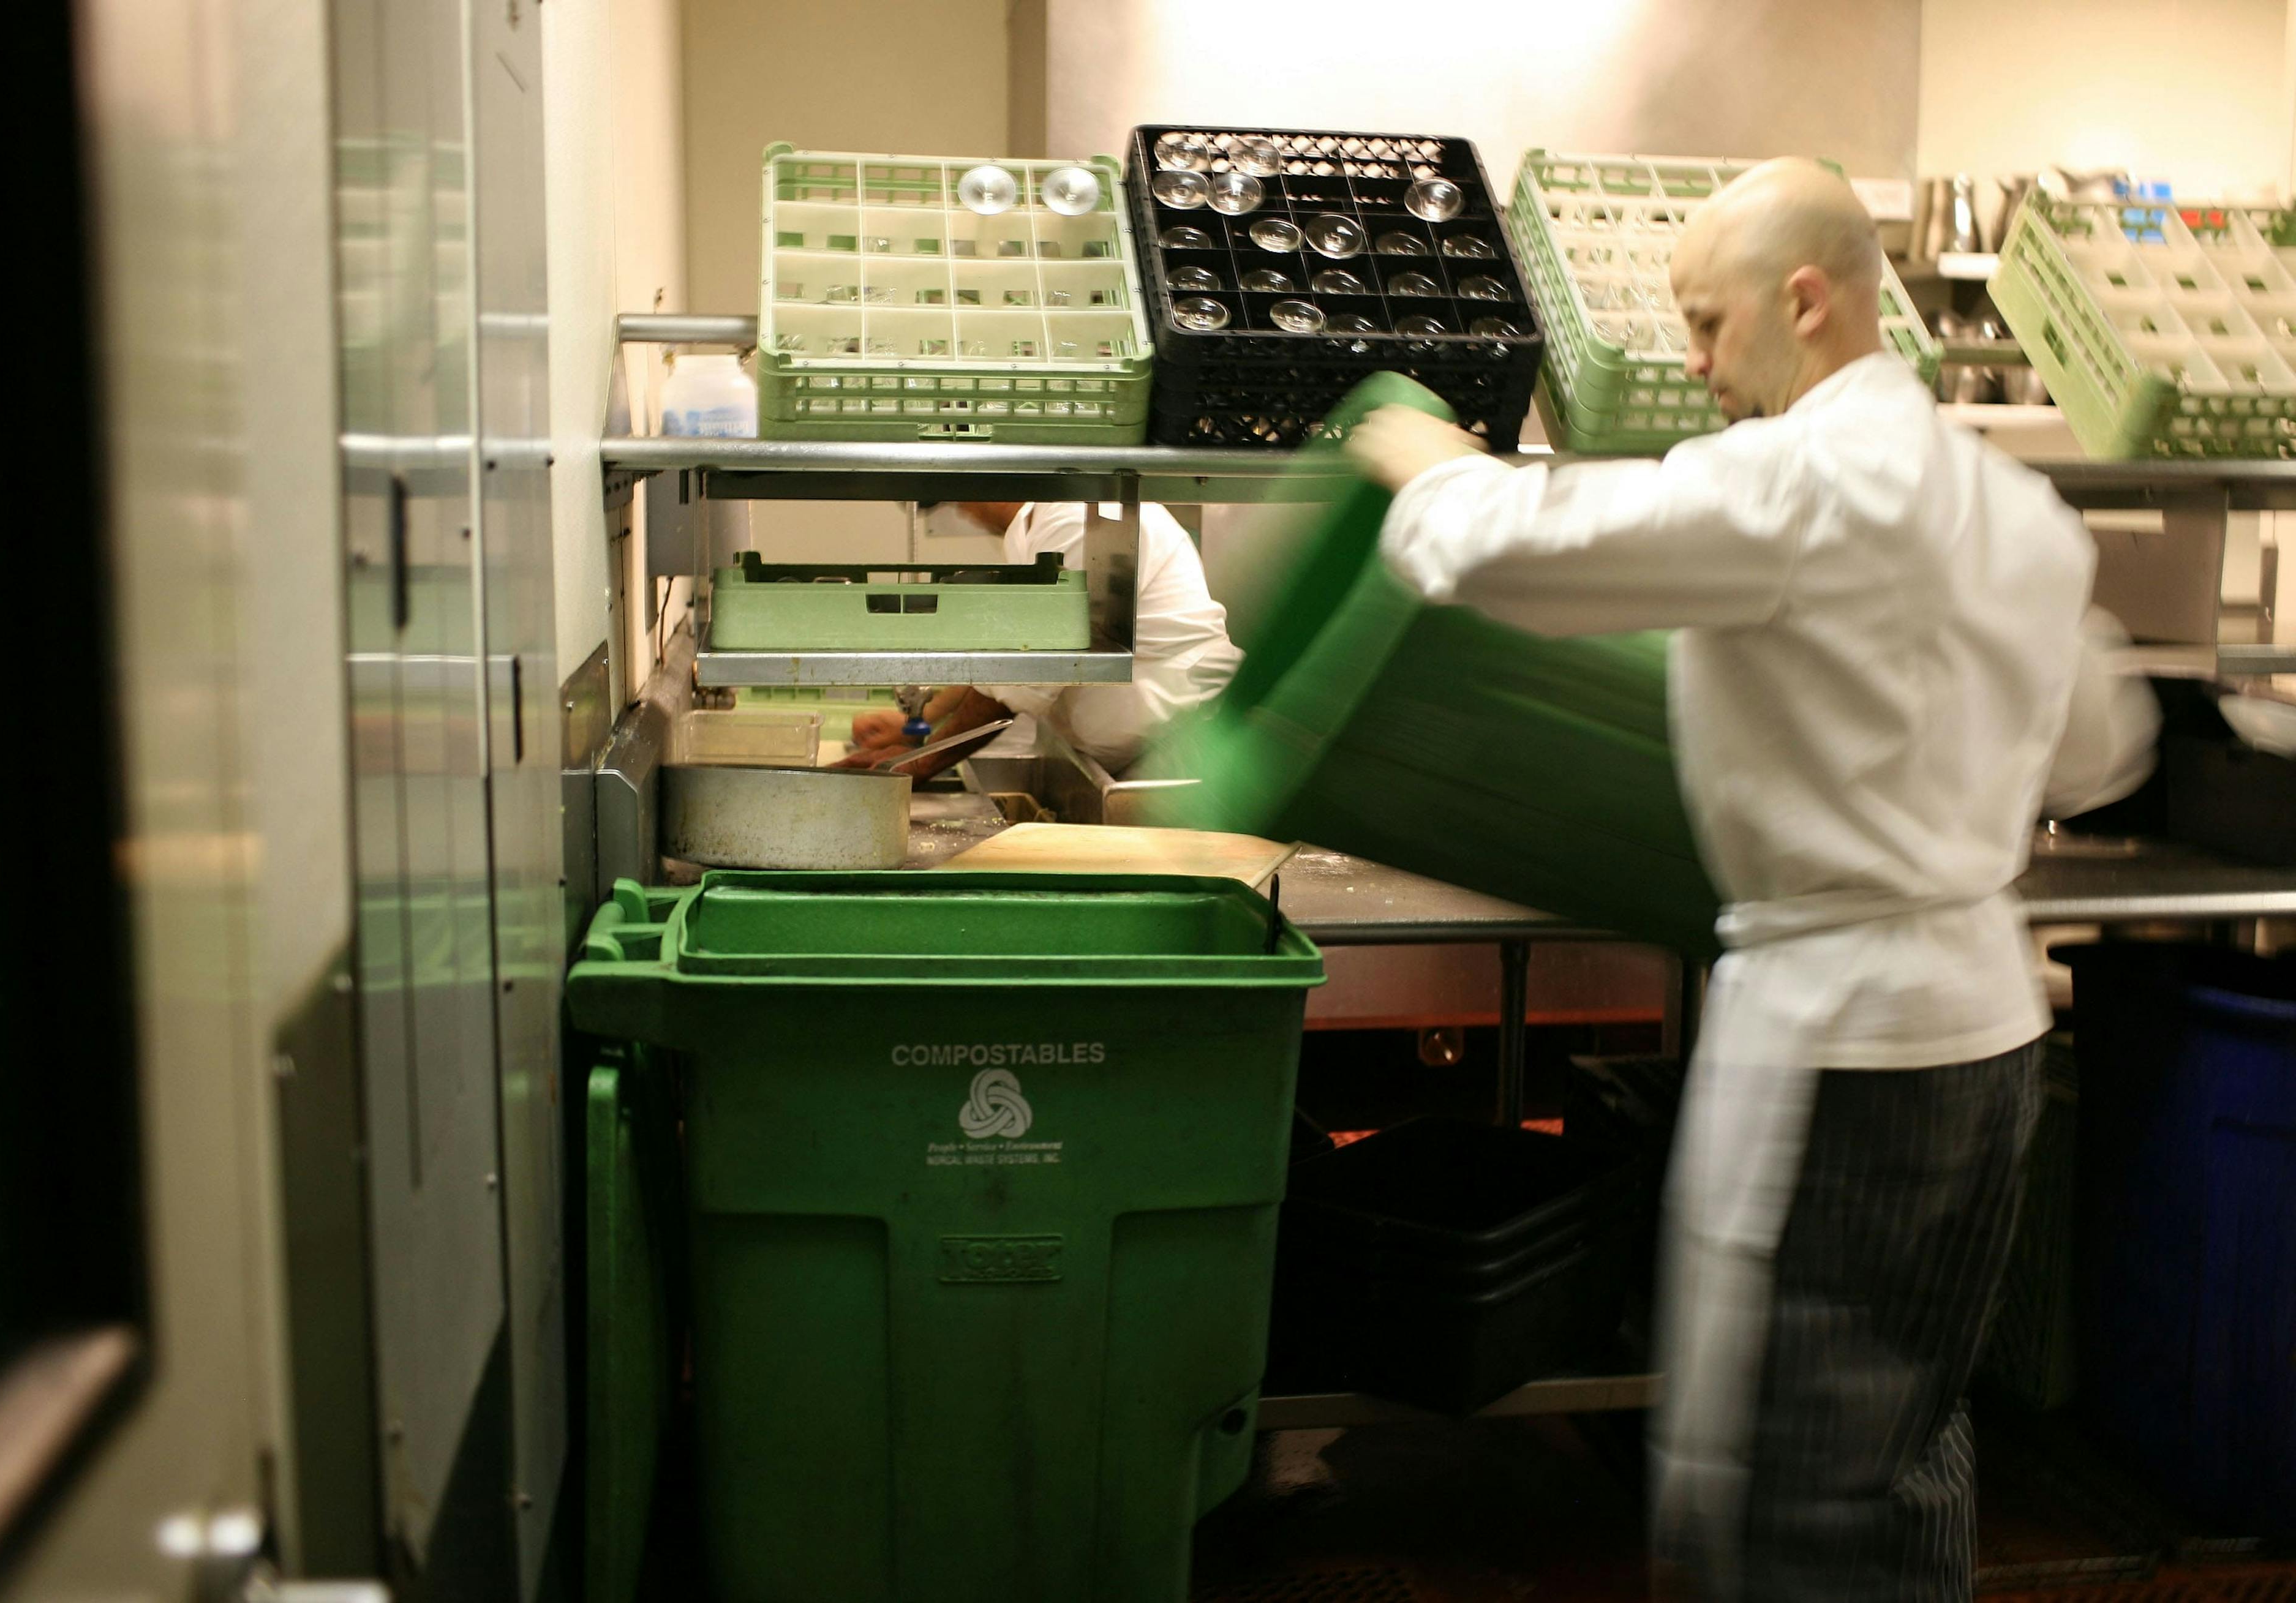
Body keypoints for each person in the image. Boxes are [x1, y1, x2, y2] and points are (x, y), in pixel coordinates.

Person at [1346, 159, 2156, 1601]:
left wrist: (1422, 455)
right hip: (1981, 1030)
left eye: (1707, 325)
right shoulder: (2010, 507)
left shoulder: (1805, 480)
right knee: (1902, 1429)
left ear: (1806, 300)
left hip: (1853, 1052)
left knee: (1813, 1465)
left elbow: (1515, 552)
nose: (1695, 362)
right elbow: (2101, 748)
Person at [835, 499, 1241, 776]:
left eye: (961, 500)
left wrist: (917, 764)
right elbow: (1009, 655)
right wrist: (920, 721)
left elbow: (1020, 680)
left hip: (1186, 752)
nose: (965, 512)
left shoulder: (1078, 522)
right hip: (1137, 757)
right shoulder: (1038, 531)